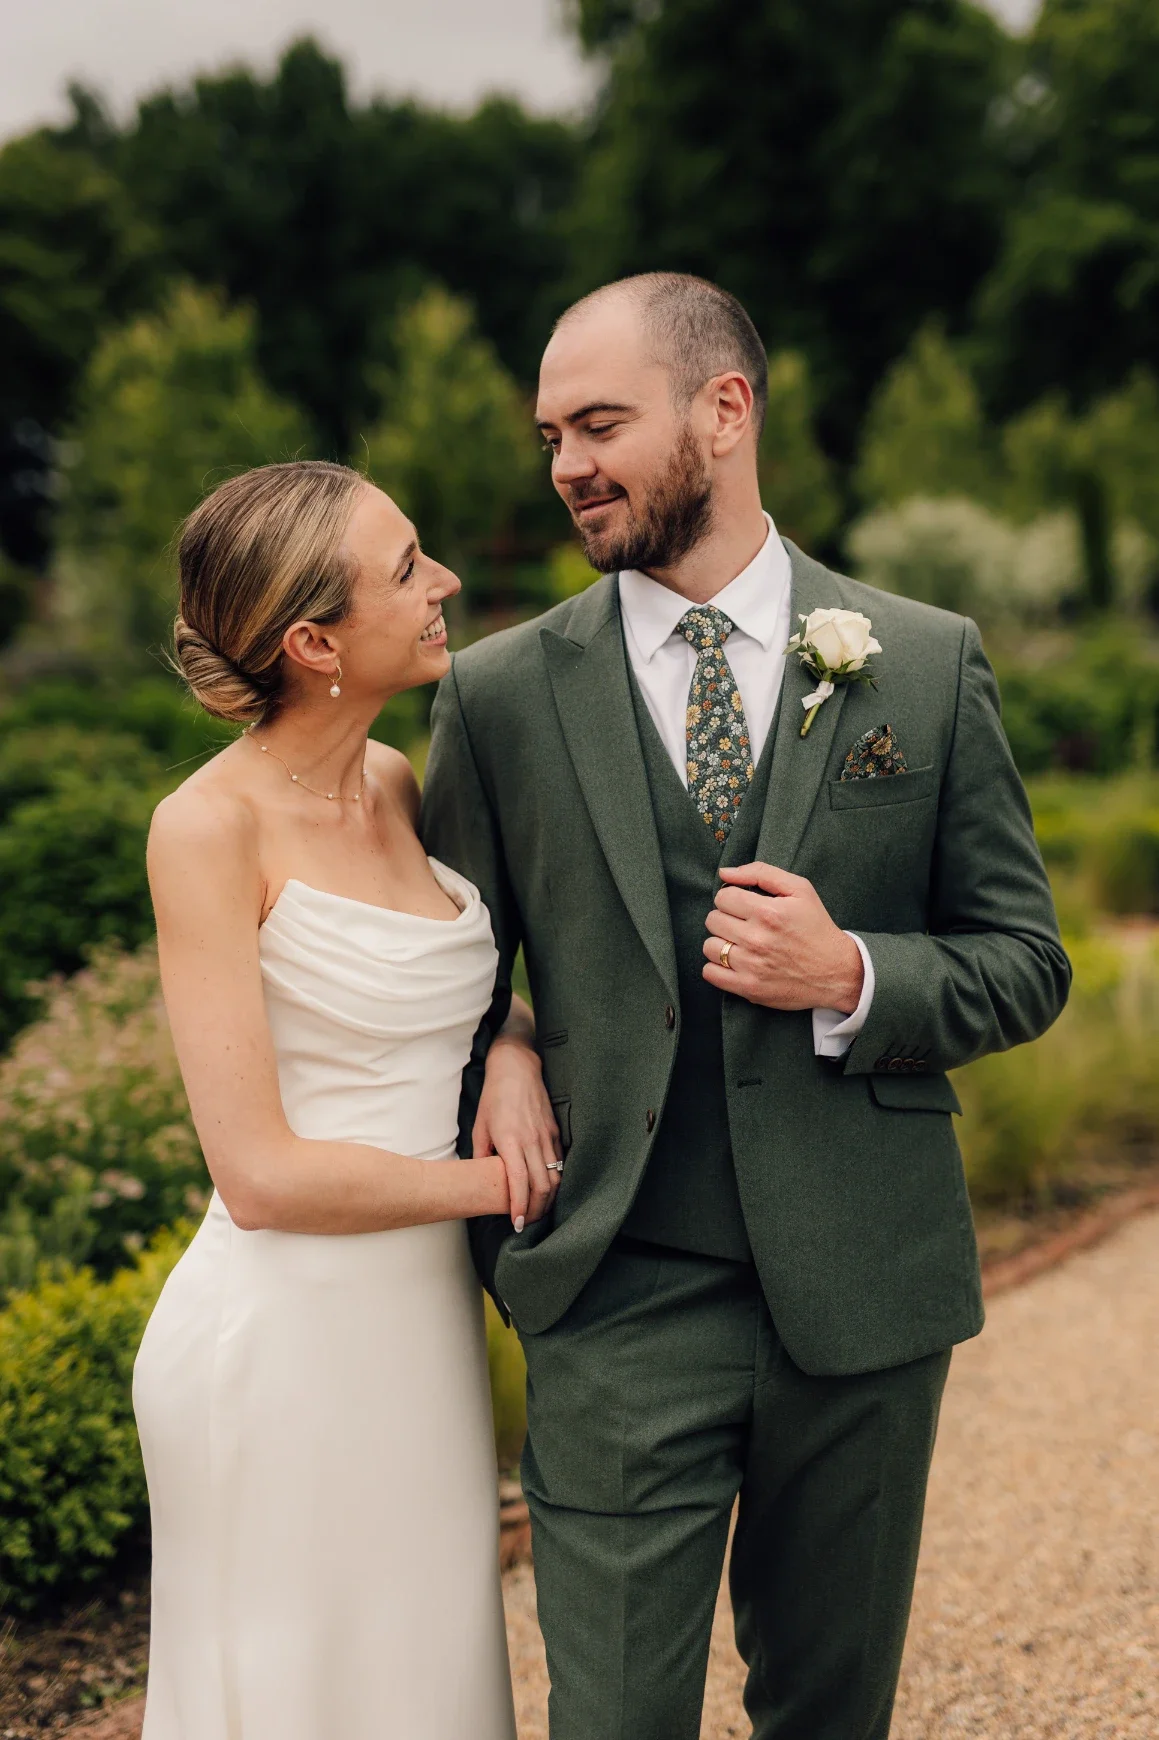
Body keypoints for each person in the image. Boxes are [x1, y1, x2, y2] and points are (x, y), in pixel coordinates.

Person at [420, 272, 1071, 1740]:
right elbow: (446, 974)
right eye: (547, 436)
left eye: (596, 423)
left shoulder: (920, 656)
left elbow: (1022, 958)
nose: (565, 465)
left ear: (723, 411)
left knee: (827, 1715)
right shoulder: (500, 696)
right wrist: (507, 1040)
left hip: (862, 1286)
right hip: (612, 1287)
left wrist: (851, 974)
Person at [133, 460, 561, 1740]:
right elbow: (258, 1177)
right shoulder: (205, 831)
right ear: (314, 640)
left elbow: (457, 1002)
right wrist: (509, 1183)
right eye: (407, 568)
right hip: (279, 1350)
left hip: (419, 1335)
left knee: (425, 1682)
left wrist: (515, 1054)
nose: (444, 584)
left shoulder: (389, 779)